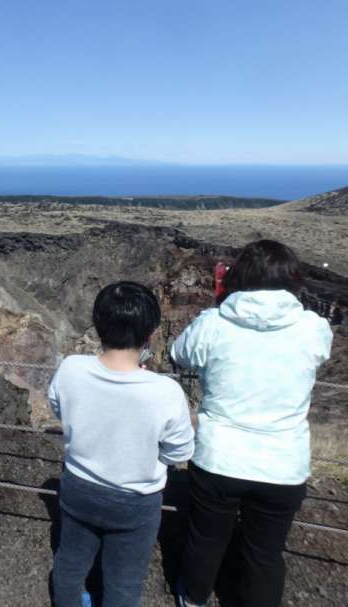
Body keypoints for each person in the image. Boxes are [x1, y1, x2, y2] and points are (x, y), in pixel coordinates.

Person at [171, 240, 333, 607]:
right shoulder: (313, 327)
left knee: (206, 539)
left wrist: (217, 311)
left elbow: (179, 354)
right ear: (293, 281)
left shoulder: (213, 324)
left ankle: (193, 598)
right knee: (265, 553)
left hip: (219, 458)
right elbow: (320, 353)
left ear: (238, 277)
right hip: (283, 464)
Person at [50, 281, 195, 607]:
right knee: (124, 581)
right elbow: (180, 451)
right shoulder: (165, 392)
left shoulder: (71, 368)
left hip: (79, 488)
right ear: (151, 332)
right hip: (136, 502)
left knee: (70, 564)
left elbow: (59, 409)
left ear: (98, 324)